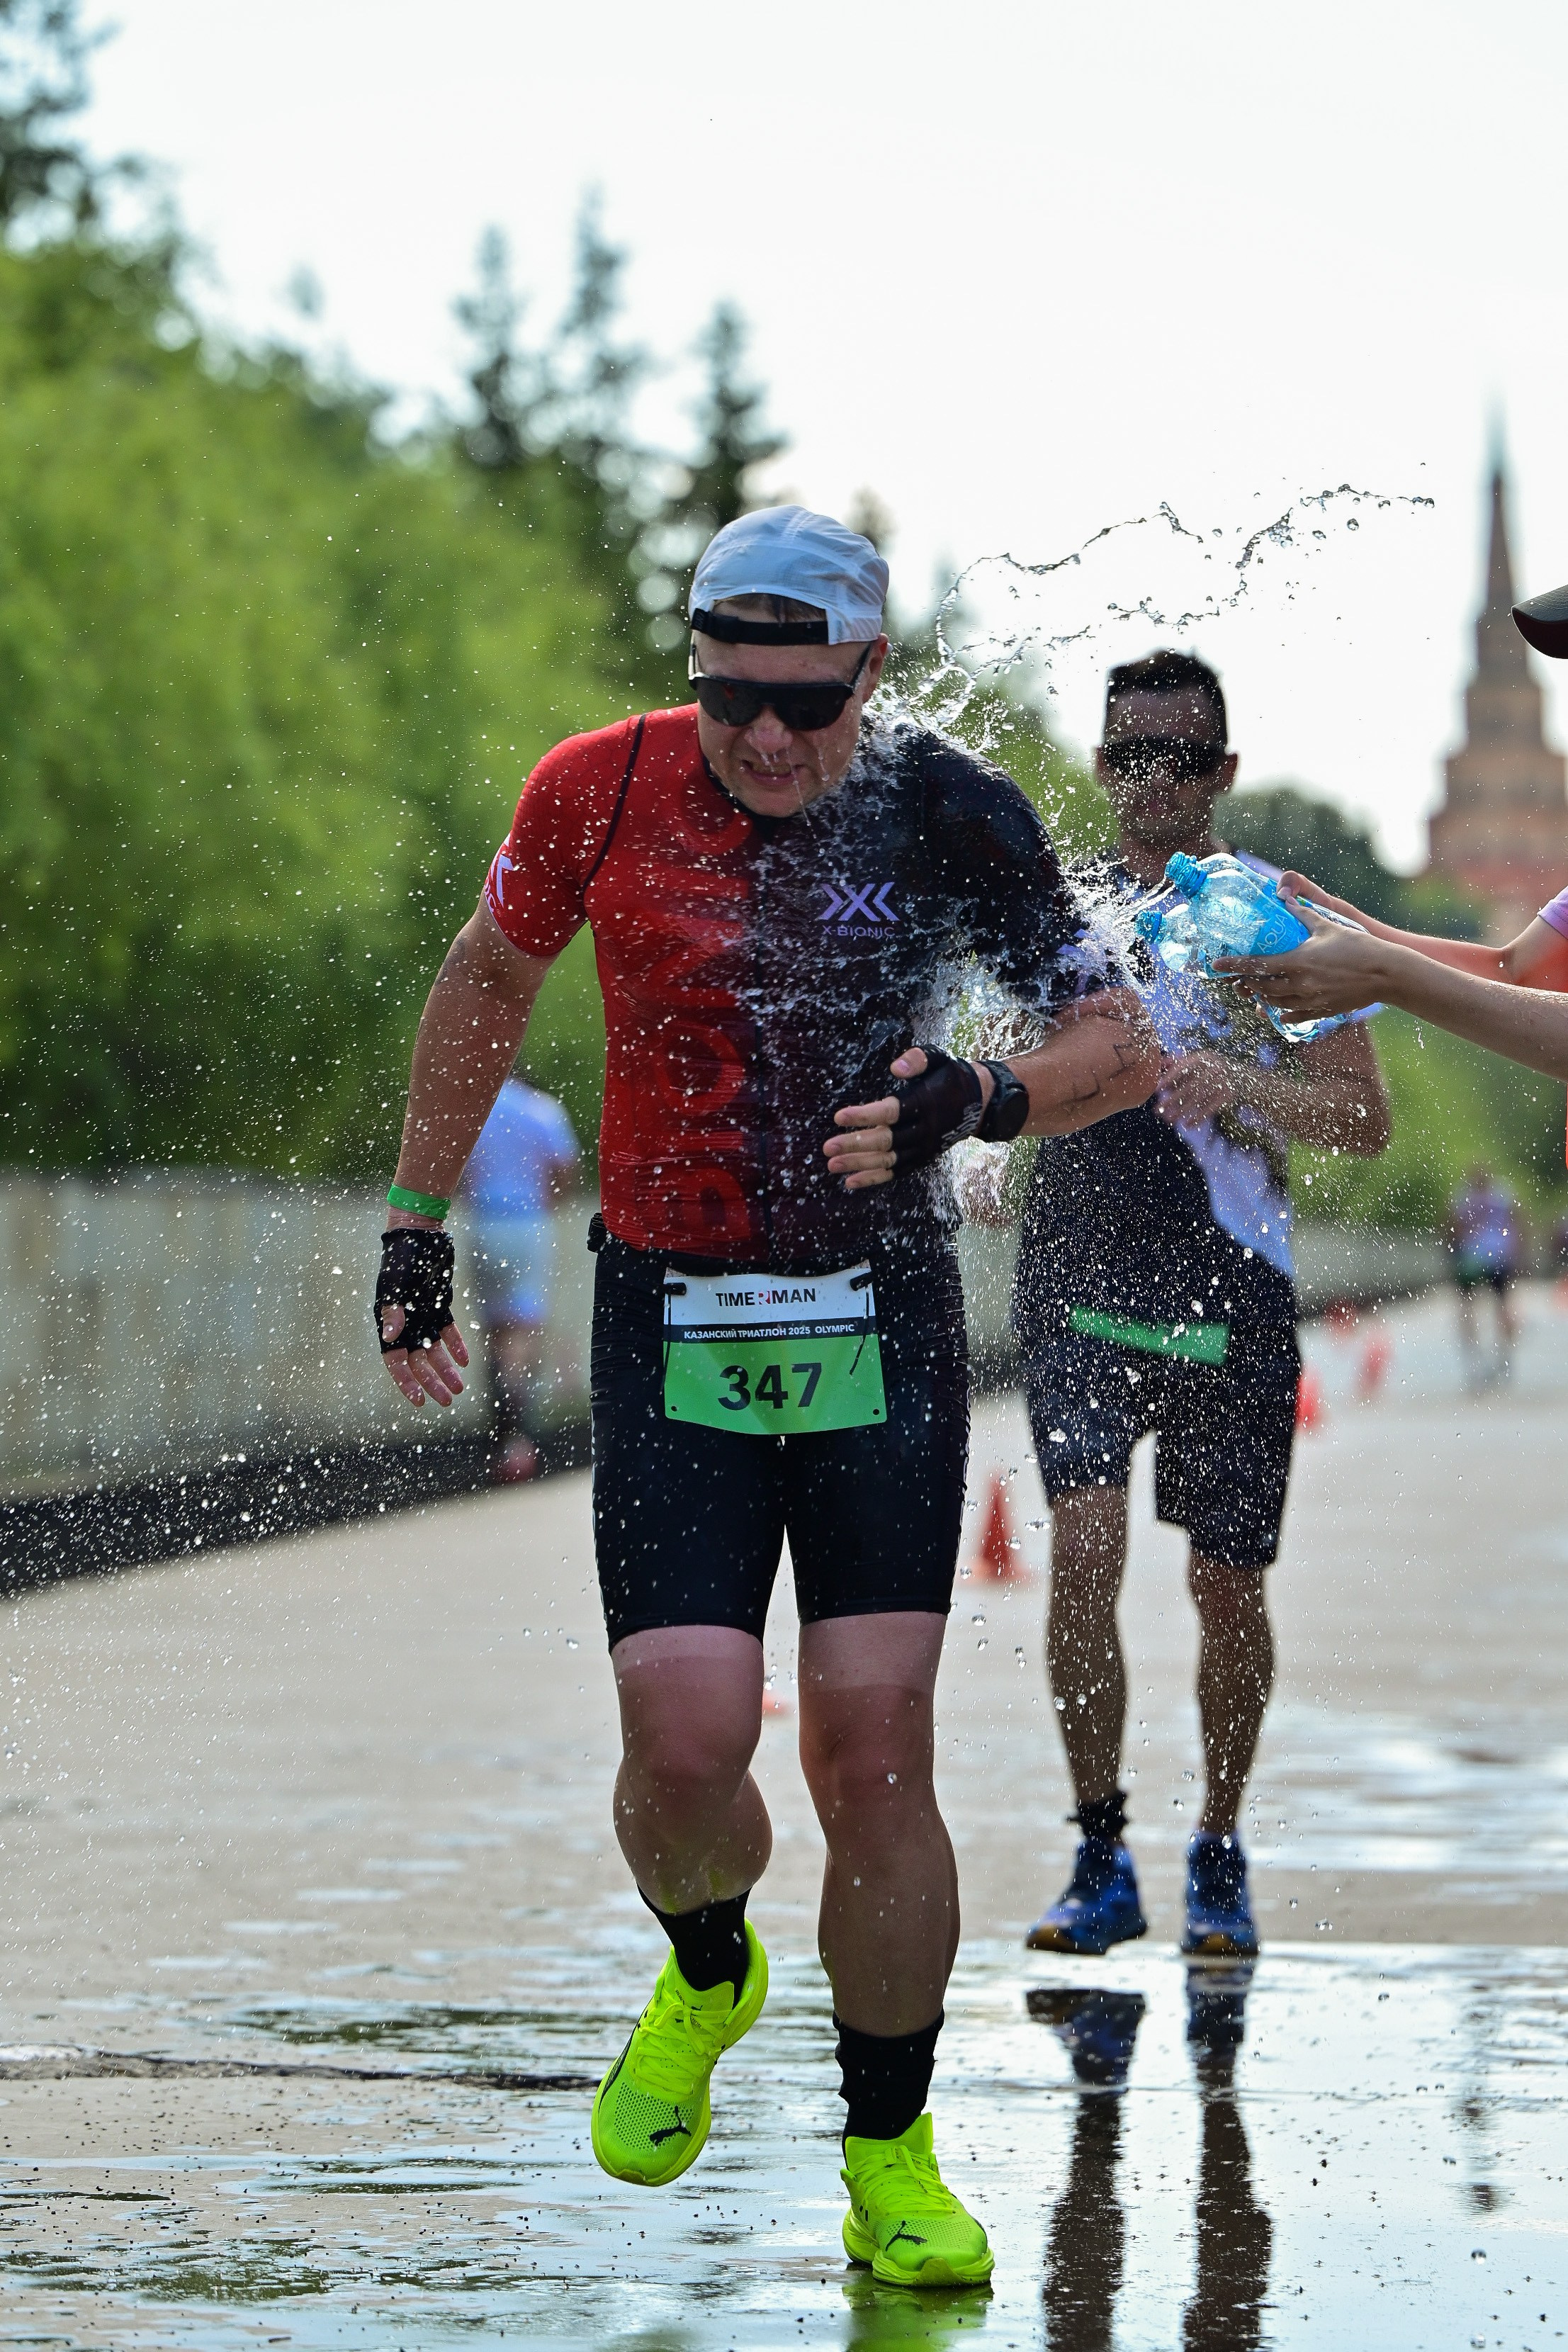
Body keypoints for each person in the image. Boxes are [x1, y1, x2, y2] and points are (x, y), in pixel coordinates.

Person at [371, 505, 1161, 2290]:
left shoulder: (952, 807)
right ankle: (708, 1964)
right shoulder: (600, 785)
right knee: (688, 1748)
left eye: (805, 706)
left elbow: (1119, 1039)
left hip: (877, 1315)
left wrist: (987, 1097)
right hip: (670, 1319)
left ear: (868, 674)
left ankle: (889, 2154)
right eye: (734, 700)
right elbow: (491, 974)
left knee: (871, 1749)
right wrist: (416, 1219)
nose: (768, 742)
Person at [1013, 651, 1391, 1963]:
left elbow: (1362, 1117)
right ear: (1101, 762)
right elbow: (998, 1067)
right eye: (1127, 755)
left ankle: (1217, 1843)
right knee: (1082, 1542)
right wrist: (979, 1150)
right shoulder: (1059, 916)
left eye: (1178, 757)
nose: (1148, 782)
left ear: (1222, 771)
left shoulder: (1272, 917)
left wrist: (1237, 1079)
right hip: (1076, 1274)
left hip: (1228, 1282)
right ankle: (1099, 1846)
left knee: (1225, 1584)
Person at [461, 1069, 580, 1481]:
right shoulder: (543, 1109)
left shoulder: (477, 1107)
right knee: (523, 1332)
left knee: (494, 1330)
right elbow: (565, 1169)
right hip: (528, 1224)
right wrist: (549, 1203)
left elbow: (453, 1167)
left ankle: (498, 1435)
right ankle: (519, 1437)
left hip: (483, 1223)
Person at [1448, 1164, 1522, 1386]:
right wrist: (1518, 1253)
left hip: (1471, 1258)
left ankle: (1474, 1360)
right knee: (1503, 1305)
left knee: (1467, 1308)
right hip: (1499, 1255)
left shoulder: (1463, 1197)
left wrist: (1451, 1254)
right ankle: (1505, 1356)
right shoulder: (1503, 1195)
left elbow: (1453, 1227)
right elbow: (1516, 1223)